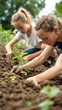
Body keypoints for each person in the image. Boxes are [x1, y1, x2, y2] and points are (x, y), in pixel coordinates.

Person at [14, 15, 62, 85]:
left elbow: (59, 68)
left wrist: (36, 78)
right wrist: (22, 67)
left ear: (55, 30)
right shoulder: (55, 38)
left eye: (45, 38)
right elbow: (42, 57)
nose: (44, 42)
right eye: (41, 39)